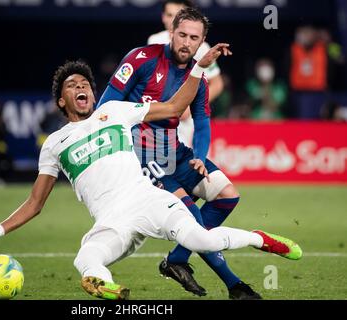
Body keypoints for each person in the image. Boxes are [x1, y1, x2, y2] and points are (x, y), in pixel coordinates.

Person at [0, 59, 302, 301]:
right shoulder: (54, 145)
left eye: (85, 84)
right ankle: (107, 287)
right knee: (85, 258)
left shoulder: (115, 113)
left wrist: (198, 69)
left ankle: (261, 240)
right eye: (72, 85)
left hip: (147, 199)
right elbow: (36, 203)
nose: (81, 87)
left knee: (203, 240)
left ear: (93, 95)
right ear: (60, 101)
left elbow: (172, 107)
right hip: (111, 219)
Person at [97, 7, 260, 299]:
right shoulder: (141, 59)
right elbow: (105, 109)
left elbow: (203, 121)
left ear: (202, 42)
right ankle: (235, 286)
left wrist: (199, 154)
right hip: (141, 155)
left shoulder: (198, 80)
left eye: (193, 38)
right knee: (191, 214)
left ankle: (177, 259)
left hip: (174, 150)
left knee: (228, 195)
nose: (186, 42)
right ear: (171, 33)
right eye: (181, 34)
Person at [147, 0, 224, 148]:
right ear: (163, 17)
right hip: (159, 117)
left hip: (187, 122)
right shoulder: (154, 41)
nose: (172, 20)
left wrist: (191, 106)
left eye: (177, 16)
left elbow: (217, 84)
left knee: (188, 164)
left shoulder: (201, 47)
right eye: (169, 15)